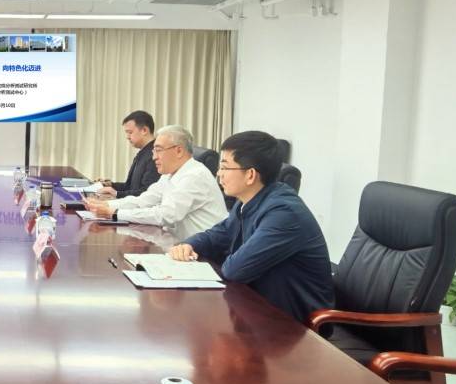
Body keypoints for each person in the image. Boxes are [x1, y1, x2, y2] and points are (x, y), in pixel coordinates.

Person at [170, 130, 333, 322]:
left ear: (250, 175)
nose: (218, 174)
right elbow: (219, 234)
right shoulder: (248, 200)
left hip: (295, 323)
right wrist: (190, 245)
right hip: (261, 306)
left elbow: (235, 270)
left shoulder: (285, 213)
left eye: (225, 167)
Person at [84, 125, 226, 240]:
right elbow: (144, 201)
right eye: (154, 151)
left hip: (205, 255)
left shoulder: (194, 176)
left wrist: (115, 213)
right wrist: (107, 205)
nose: (154, 157)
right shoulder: (170, 174)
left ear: (178, 151)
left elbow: (166, 215)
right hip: (179, 245)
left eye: (158, 150)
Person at [97, 110, 160, 199]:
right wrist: (111, 185)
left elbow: (147, 192)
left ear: (144, 130)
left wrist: (117, 194)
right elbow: (130, 187)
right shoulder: (143, 153)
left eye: (130, 132)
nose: (127, 137)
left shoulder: (155, 155)